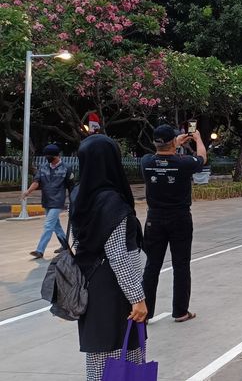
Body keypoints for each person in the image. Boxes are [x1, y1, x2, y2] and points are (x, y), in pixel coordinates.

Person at [71, 135, 147, 381]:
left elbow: (79, 238)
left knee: (99, 354)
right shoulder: (112, 201)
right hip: (114, 290)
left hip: (90, 283)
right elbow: (118, 256)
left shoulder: (79, 194)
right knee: (124, 354)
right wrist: (137, 298)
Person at [141, 124, 206, 323]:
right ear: (172, 142)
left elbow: (161, 156)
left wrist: (173, 144)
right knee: (181, 265)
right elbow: (202, 158)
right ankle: (180, 312)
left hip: (154, 219)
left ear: (154, 142)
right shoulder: (184, 162)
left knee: (152, 265)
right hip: (180, 218)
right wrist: (198, 139)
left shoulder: (146, 162)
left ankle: (146, 312)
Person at [22, 144, 75, 259]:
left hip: (57, 201)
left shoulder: (66, 167)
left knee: (48, 225)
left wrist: (73, 200)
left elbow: (71, 186)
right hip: (46, 200)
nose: (47, 157)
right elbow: (36, 182)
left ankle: (40, 250)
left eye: (49, 155)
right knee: (56, 226)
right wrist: (27, 192)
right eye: (46, 155)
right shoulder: (43, 167)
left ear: (56, 155)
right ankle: (65, 246)